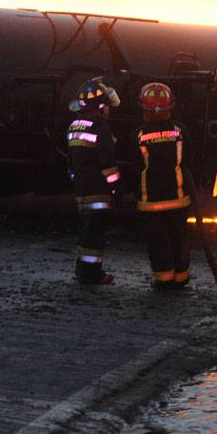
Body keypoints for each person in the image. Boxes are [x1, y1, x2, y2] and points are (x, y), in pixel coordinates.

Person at [133, 82, 193, 290]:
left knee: (159, 241)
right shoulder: (180, 130)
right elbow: (189, 160)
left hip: (152, 201)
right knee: (179, 238)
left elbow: (134, 165)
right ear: (171, 106)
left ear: (144, 107)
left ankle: (163, 279)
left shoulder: (139, 135)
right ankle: (181, 277)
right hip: (179, 198)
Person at [66, 77, 121, 285]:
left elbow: (70, 162)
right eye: (107, 106)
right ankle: (92, 274)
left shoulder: (74, 126)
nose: (108, 110)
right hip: (98, 190)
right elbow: (108, 165)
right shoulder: (101, 127)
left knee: (85, 231)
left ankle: (82, 270)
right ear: (100, 106)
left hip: (82, 189)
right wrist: (116, 188)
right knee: (95, 235)